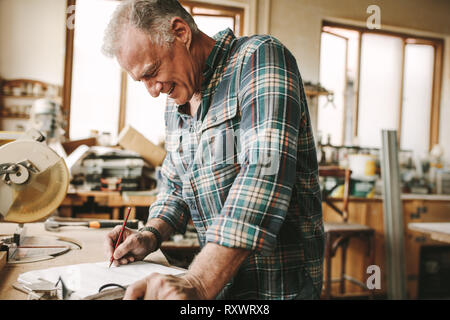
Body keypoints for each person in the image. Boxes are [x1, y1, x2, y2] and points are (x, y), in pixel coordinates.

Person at [102, 0, 324, 300]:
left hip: (277, 287)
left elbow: (264, 173)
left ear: (180, 32)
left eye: (152, 71)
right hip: (222, 288)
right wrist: (149, 234)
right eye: (142, 81)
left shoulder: (259, 58)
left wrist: (199, 282)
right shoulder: (176, 105)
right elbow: (176, 186)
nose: (153, 90)